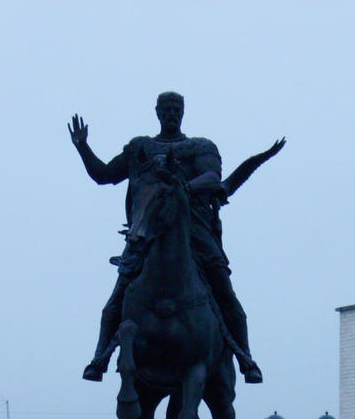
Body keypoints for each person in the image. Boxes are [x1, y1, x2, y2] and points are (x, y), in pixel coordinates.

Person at [69, 91, 282, 384]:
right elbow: (104, 175)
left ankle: (245, 358)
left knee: (224, 290)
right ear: (157, 112)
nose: (171, 113)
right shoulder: (140, 148)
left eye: (176, 108)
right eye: (166, 108)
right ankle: (100, 358)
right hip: (147, 232)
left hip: (193, 231)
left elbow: (211, 179)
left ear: (183, 112)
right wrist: (83, 147)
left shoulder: (200, 147)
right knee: (117, 296)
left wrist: (180, 190)